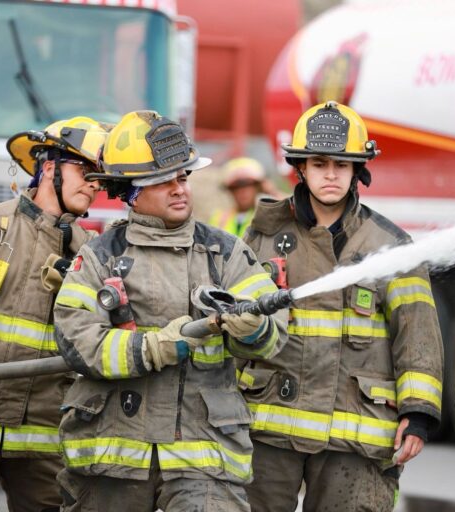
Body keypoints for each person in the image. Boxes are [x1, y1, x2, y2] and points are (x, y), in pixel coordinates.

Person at [53, 110, 288, 511]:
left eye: (183, 177)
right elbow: (76, 340)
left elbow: (273, 338)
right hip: (113, 454)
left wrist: (253, 328)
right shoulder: (99, 256)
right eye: (162, 181)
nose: (179, 189)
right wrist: (152, 348)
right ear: (131, 192)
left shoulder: (226, 252)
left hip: (205, 457)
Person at [241, 101, 443, 512]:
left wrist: (418, 413)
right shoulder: (262, 237)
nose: (330, 174)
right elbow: (233, 329)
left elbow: (417, 336)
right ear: (301, 167)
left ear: (357, 170)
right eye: (319, 163)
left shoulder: (389, 246)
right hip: (268, 424)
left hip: (355, 432)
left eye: (341, 164)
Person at [0, 116, 111, 512]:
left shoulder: (94, 256)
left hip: (43, 440)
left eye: (100, 177)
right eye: (85, 170)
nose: (95, 185)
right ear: (48, 167)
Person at [209, 157, 271, 238]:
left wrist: (273, 192)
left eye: (248, 185)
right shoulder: (218, 219)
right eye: (236, 188)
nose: (243, 192)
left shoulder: (266, 216)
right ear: (230, 191)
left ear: (258, 188)